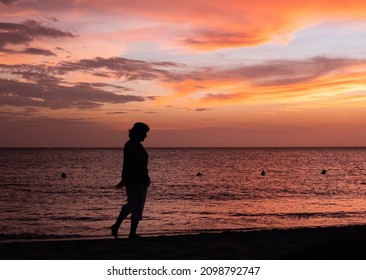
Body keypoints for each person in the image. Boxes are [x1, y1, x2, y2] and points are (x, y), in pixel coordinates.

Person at [111, 122, 150, 239]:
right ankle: (130, 232)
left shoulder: (129, 144)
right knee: (137, 205)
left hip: (131, 179)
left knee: (133, 203)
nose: (146, 136)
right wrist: (145, 177)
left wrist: (124, 180)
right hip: (137, 180)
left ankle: (118, 226)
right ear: (139, 133)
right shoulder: (135, 146)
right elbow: (137, 164)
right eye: (144, 133)